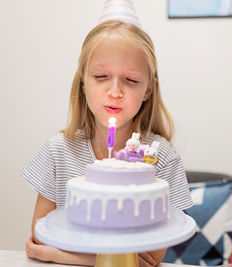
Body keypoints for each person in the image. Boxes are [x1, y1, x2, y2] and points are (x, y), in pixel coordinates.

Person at [22, 1, 193, 266]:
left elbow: (150, 258)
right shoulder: (57, 151)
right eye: (101, 76)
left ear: (148, 90)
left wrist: (60, 255)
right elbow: (42, 238)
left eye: (131, 80)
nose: (115, 91)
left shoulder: (162, 158)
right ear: (82, 81)